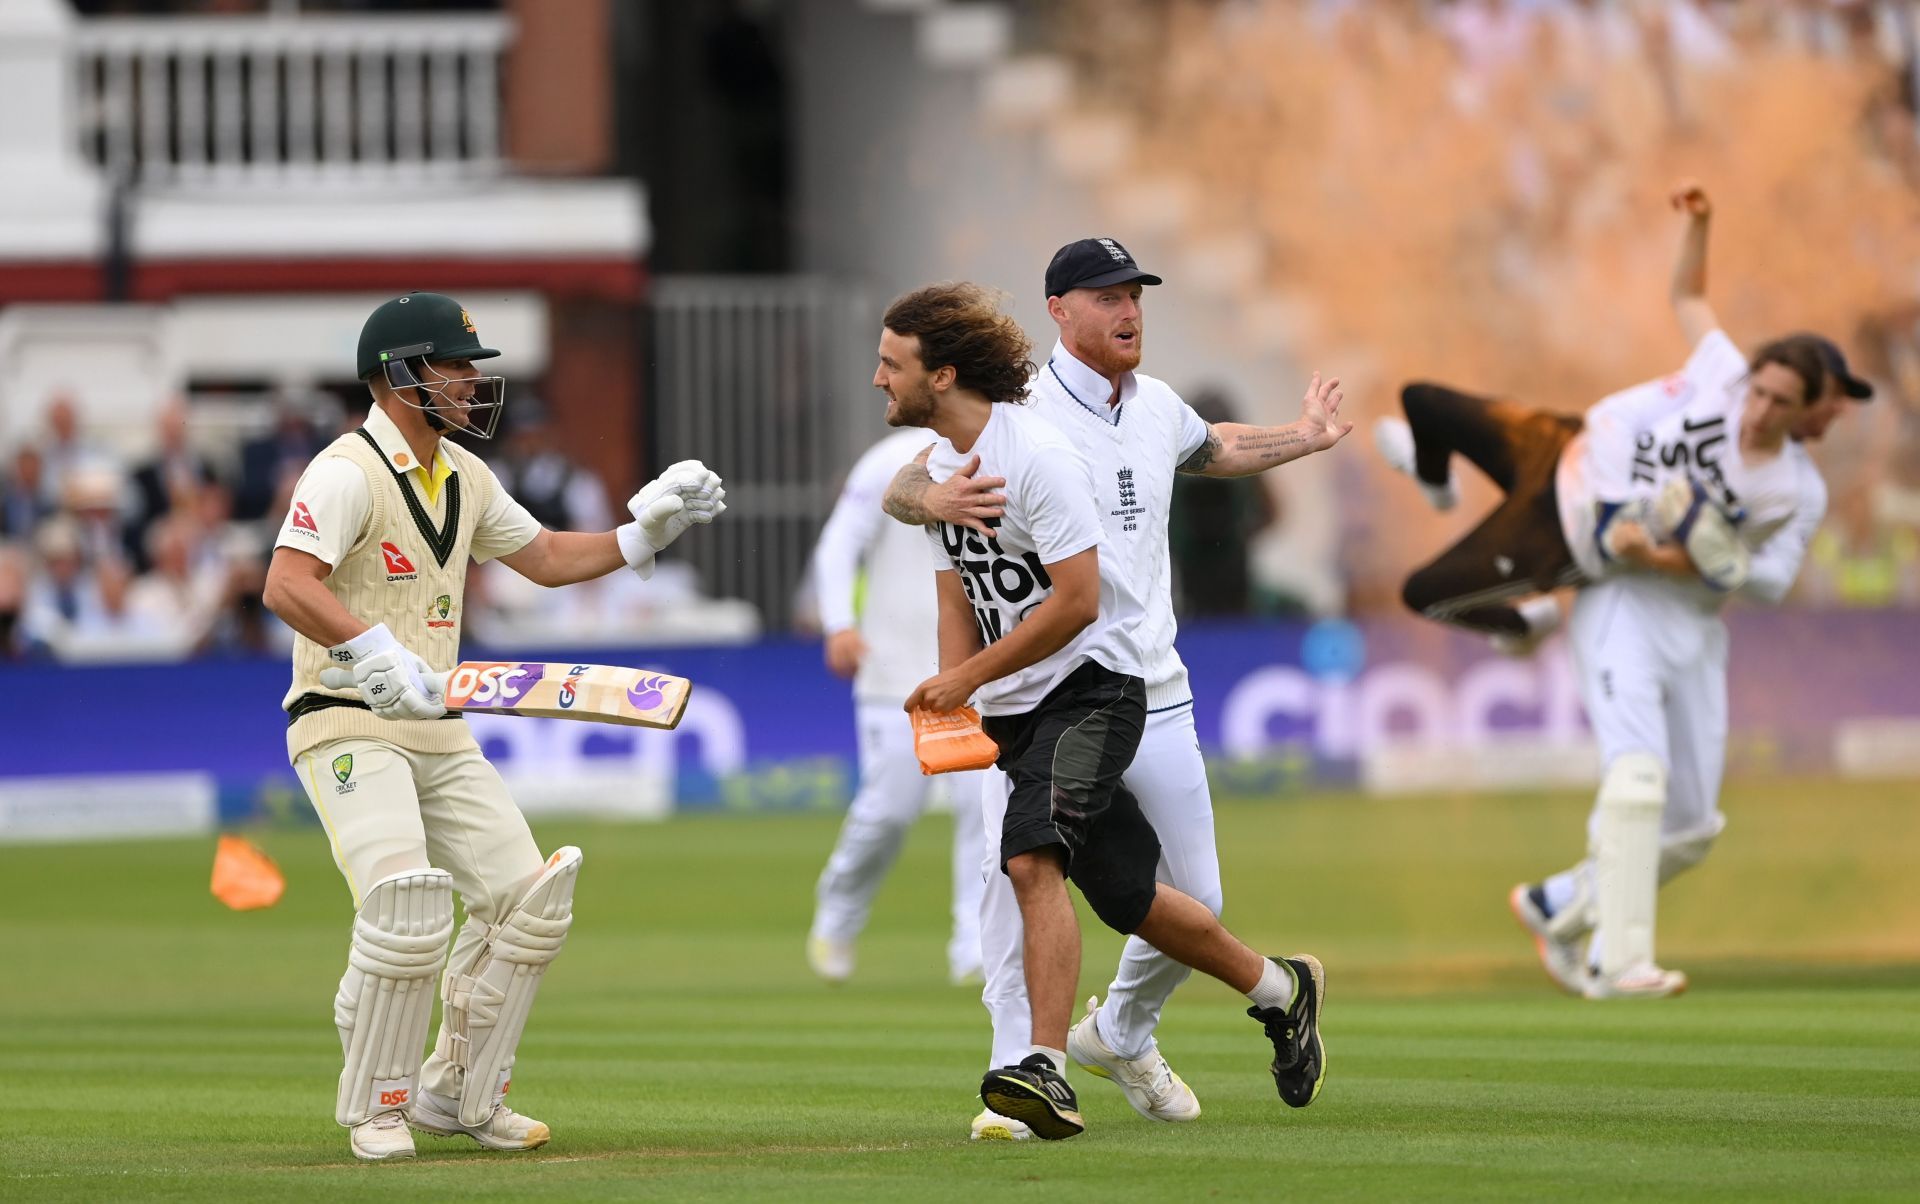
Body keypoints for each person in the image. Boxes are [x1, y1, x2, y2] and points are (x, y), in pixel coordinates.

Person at [884, 240, 1350, 1141]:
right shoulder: (1021, 405)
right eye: (1107, 296)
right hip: (1038, 690)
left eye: (1135, 293)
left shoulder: (1158, 405)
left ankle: (1123, 1032)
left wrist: (1306, 438)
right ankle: (1016, 1085)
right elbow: (911, 480)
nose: (1128, 308)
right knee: (1017, 872)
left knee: (1185, 899)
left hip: (1148, 685)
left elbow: (1216, 450)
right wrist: (927, 502)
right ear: (1060, 310)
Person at [261, 291, 726, 1161]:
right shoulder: (345, 470)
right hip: (345, 720)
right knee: (405, 908)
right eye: (455, 365)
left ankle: (457, 1095)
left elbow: (544, 558)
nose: (473, 383)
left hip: (438, 724)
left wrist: (640, 532)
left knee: (528, 906)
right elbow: (286, 583)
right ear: (401, 375)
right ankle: (379, 1105)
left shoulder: (464, 475)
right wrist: (369, 647)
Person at [1374, 185, 1869, 998]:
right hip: (1618, 606)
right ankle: (1619, 959)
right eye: (1759, 391)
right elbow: (1688, 295)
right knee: (1637, 777)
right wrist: (1703, 223)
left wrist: (1690, 558)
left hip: (1694, 627)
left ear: (1809, 410)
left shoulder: (1794, 490)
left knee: (1692, 826)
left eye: (1783, 403)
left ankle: (1558, 902)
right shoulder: (1720, 375)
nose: (1760, 411)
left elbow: (1771, 582)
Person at [805, 427, 986, 986]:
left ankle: (974, 949)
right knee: (888, 812)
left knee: (984, 812)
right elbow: (839, 545)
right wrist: (839, 622)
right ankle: (838, 915)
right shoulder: (887, 458)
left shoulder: (1006, 448)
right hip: (892, 672)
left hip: (977, 672)